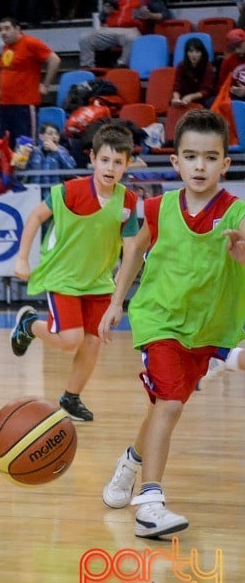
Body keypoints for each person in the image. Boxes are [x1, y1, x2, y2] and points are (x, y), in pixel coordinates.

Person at [97, 109, 245, 538]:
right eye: (191, 156)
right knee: (172, 405)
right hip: (159, 320)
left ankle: (130, 462)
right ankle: (150, 503)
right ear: (176, 162)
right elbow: (134, 252)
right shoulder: (158, 208)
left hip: (209, 328)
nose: (201, 165)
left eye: (210, 157)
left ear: (225, 164)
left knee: (163, 406)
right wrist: (115, 303)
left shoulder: (235, 213)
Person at [10, 124, 140, 423]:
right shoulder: (71, 190)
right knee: (70, 340)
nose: (110, 167)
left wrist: (118, 301)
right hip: (63, 277)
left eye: (118, 162)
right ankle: (29, 324)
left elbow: (132, 251)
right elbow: (35, 217)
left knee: (93, 341)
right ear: (93, 159)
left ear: (127, 165)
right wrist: (21, 259)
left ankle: (71, 398)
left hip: (98, 281)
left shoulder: (128, 202)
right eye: (105, 160)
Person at [0, 18, 60, 147]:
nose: (3, 32)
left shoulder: (30, 43)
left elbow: (54, 60)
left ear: (17, 29)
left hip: (24, 105)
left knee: (26, 148)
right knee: (7, 146)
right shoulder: (6, 48)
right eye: (1, 29)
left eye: (7, 28)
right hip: (5, 105)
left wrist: (45, 85)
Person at [78, 0, 171, 70]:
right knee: (85, 37)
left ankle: (122, 66)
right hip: (111, 30)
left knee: (131, 38)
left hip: (132, 30)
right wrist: (106, 12)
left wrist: (150, 15)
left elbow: (166, 15)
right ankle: (87, 67)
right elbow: (102, 17)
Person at [26, 121, 77, 196]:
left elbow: (71, 170)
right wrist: (22, 159)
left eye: (56, 134)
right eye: (50, 134)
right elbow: (24, 172)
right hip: (35, 195)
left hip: (55, 195)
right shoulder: (34, 152)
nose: (54, 137)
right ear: (41, 136)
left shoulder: (62, 151)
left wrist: (57, 151)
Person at [172, 37, 215, 108]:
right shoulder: (181, 65)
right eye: (190, 51)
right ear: (186, 53)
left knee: (211, 102)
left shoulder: (208, 66)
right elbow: (177, 85)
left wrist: (192, 97)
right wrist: (176, 98)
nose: (194, 55)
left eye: (197, 51)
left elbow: (207, 90)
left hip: (202, 98)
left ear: (202, 53)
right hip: (185, 97)